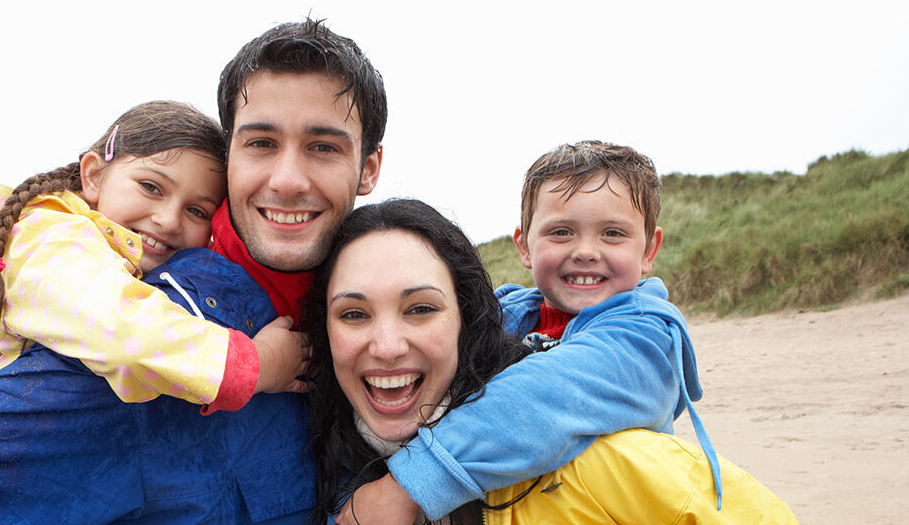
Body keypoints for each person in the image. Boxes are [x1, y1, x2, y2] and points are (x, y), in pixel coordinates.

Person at [0, 17, 386, 524]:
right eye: (262, 143)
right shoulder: (153, 307)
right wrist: (253, 365)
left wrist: (414, 486)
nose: (288, 179)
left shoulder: (371, 283)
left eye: (323, 147)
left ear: (369, 168)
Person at [305, 198, 798, 523]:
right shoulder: (319, 464)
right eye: (353, 313)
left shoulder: (604, 462)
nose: (387, 345)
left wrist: (410, 486)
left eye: (421, 309)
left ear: (469, 318)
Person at [340, 141, 719, 523]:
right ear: (524, 246)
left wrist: (410, 484)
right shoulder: (507, 316)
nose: (586, 250)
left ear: (649, 250)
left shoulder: (646, 338)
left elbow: (548, 396)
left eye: (613, 234)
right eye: (561, 232)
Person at [0, 100, 306, 413]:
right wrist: (260, 364)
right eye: (150, 187)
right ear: (93, 175)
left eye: (197, 211)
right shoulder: (48, 238)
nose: (168, 220)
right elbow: (120, 330)